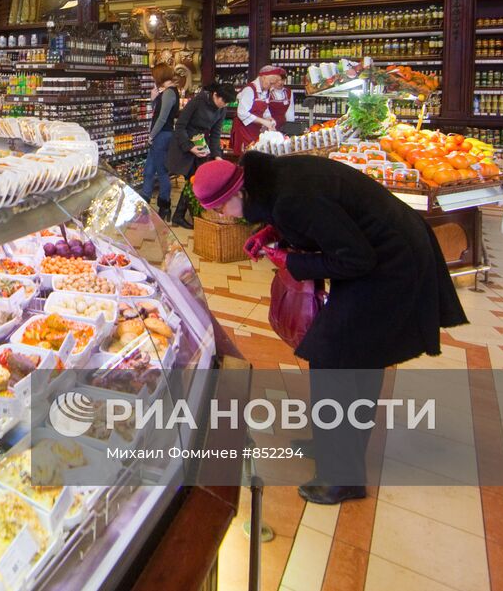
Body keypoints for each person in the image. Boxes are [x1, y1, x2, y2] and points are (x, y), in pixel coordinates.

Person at [191, 152, 468, 505]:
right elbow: (312, 217)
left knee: (336, 360)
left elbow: (355, 257)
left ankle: (343, 476)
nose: (220, 217)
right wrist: (269, 233)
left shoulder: (291, 198)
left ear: (238, 194)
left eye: (219, 209)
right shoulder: (274, 179)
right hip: (383, 250)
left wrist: (289, 260)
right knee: (353, 359)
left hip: (393, 263)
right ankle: (332, 448)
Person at [166, 80, 235, 229]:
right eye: (223, 100)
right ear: (215, 94)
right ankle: (184, 215)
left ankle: (182, 215)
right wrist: (189, 147)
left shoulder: (221, 109)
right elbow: (180, 126)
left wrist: (217, 156)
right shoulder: (198, 101)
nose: (224, 105)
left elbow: (216, 134)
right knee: (193, 180)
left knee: (196, 181)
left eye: (227, 103)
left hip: (202, 146)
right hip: (184, 144)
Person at [140, 65, 180, 221]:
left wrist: (151, 136)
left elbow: (162, 119)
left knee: (162, 172)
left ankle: (165, 206)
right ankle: (144, 202)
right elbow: (156, 113)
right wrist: (153, 99)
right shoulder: (166, 93)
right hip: (161, 135)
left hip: (162, 136)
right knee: (149, 170)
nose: (152, 79)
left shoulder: (169, 93)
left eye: (153, 76)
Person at [230, 65, 296, 153]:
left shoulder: (266, 90)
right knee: (245, 156)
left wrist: (268, 117)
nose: (272, 86)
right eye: (271, 83)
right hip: (243, 130)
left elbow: (265, 108)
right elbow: (242, 113)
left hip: (255, 130)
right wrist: (263, 121)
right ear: (264, 78)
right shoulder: (249, 90)